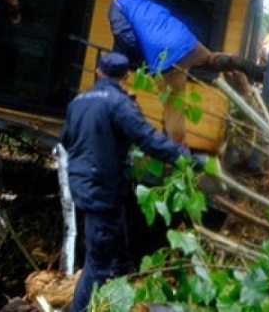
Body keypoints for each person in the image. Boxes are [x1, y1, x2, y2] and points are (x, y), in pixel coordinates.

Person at [61, 52, 198, 312]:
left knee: (116, 238)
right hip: (101, 189)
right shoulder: (119, 103)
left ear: (98, 71)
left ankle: (122, 280)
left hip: (84, 184)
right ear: (126, 76)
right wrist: (185, 158)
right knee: (97, 264)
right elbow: (147, 139)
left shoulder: (78, 101)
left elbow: (66, 139)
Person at [109, 0, 264, 144]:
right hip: (185, 39)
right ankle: (244, 65)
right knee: (210, 59)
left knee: (173, 108)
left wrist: (136, 59)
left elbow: (123, 35)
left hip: (164, 56)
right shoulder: (146, 0)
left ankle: (179, 155)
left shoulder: (118, 2)